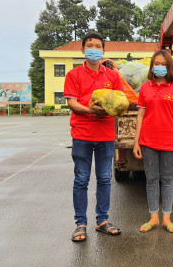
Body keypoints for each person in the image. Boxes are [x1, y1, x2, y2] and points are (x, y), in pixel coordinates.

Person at [64, 31, 124, 242]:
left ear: (103, 50)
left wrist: (110, 109)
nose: (94, 49)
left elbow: (120, 101)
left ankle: (102, 220)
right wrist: (91, 111)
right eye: (90, 45)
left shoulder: (113, 76)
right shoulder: (73, 75)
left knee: (104, 179)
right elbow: (71, 102)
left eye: (98, 46)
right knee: (81, 179)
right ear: (82, 50)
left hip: (106, 134)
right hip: (82, 133)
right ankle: (80, 223)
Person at [133, 50, 173, 233]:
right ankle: (153, 218)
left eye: (163, 64)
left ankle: (167, 218)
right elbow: (140, 116)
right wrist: (136, 142)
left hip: (169, 141)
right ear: (152, 66)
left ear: (169, 66)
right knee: (151, 180)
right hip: (148, 141)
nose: (159, 67)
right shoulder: (145, 88)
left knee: (167, 179)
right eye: (156, 63)